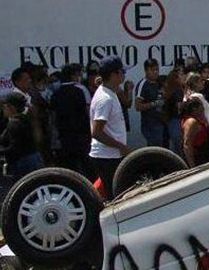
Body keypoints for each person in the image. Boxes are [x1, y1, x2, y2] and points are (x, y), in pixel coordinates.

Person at [89, 56, 130, 198]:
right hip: (106, 157)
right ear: (114, 74)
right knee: (115, 196)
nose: (123, 75)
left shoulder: (111, 92)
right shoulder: (104, 98)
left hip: (111, 155)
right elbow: (96, 132)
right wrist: (120, 146)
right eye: (121, 72)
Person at [50, 64, 91, 175]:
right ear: (74, 75)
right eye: (80, 74)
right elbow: (89, 112)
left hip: (64, 136)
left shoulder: (56, 93)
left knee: (69, 168)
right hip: (82, 135)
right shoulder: (81, 89)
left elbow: (53, 118)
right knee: (86, 167)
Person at [0, 93, 43, 177]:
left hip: (24, 163)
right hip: (34, 159)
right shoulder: (25, 119)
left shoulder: (14, 123)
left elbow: (14, 148)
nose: (3, 109)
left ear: (11, 108)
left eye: (5, 106)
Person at [135, 58, 167, 148]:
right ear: (146, 70)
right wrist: (154, 104)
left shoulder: (160, 82)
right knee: (155, 149)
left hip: (163, 122)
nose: (155, 72)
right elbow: (138, 106)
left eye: (157, 69)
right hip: (150, 124)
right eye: (152, 70)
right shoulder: (143, 84)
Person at [181, 97, 209, 168]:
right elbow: (187, 145)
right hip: (200, 158)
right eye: (201, 105)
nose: (203, 107)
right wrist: (192, 167)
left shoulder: (200, 119)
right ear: (195, 109)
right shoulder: (191, 122)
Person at [163, 68, 185, 155]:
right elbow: (179, 108)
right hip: (176, 121)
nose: (184, 77)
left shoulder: (169, 90)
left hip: (171, 121)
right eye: (181, 75)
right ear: (176, 78)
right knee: (179, 146)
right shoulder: (178, 91)